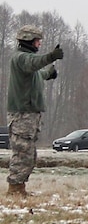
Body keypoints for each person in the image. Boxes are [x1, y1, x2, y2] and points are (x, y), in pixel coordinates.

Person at [6, 25, 63, 197]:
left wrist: (49, 72)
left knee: (28, 154)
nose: (39, 44)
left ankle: (19, 188)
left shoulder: (26, 63)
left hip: (30, 114)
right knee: (22, 152)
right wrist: (51, 56)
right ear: (29, 41)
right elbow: (33, 64)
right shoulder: (21, 58)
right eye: (37, 41)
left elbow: (37, 73)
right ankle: (15, 189)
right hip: (22, 114)